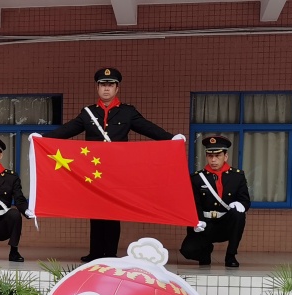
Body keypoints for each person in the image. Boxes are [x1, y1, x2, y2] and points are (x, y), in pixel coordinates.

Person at [42, 67, 185, 262]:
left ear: (117, 88)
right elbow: (68, 129)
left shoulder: (127, 112)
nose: (106, 88)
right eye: (103, 85)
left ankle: (110, 253)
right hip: (94, 170)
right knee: (95, 210)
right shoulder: (88, 113)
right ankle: (95, 253)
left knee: (113, 211)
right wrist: (42, 138)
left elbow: (147, 127)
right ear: (97, 88)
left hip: (116, 171)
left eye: (110, 85)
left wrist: (171, 138)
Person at [180, 135, 250, 268]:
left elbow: (245, 201)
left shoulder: (237, 176)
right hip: (205, 224)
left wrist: (240, 204)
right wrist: (197, 220)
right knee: (187, 251)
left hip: (225, 224)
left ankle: (231, 255)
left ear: (225, 156)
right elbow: (194, 203)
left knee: (239, 214)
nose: (213, 160)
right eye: (210, 156)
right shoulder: (197, 178)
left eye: (217, 156)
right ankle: (205, 252)